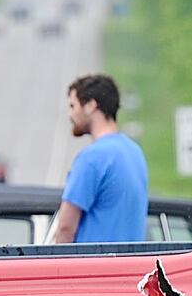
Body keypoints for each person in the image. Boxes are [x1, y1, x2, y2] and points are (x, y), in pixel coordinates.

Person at [52, 74, 148, 244]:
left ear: (90, 106)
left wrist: (58, 267)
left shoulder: (92, 158)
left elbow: (66, 227)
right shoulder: (135, 152)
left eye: (73, 106)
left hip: (95, 266)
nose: (70, 115)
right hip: (132, 265)